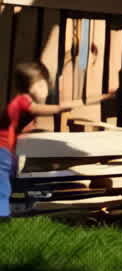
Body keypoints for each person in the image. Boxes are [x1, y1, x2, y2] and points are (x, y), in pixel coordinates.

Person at [0, 61, 85, 219]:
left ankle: (12, 210)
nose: (44, 90)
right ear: (27, 86)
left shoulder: (23, 103)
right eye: (39, 85)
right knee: (5, 185)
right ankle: (4, 215)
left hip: (10, 150)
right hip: (4, 150)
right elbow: (52, 109)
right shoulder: (23, 102)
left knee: (12, 182)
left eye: (44, 84)